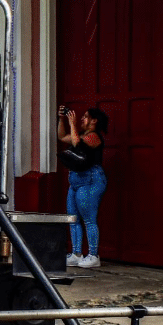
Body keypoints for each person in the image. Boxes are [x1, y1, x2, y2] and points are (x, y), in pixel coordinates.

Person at [58, 106, 109, 269]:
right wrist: (62, 119)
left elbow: (77, 145)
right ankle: (76, 253)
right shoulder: (80, 134)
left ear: (94, 121)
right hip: (75, 180)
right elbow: (62, 137)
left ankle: (93, 255)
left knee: (88, 219)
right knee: (73, 218)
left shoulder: (94, 136)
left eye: (86, 117)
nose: (82, 118)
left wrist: (72, 124)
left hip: (91, 180)